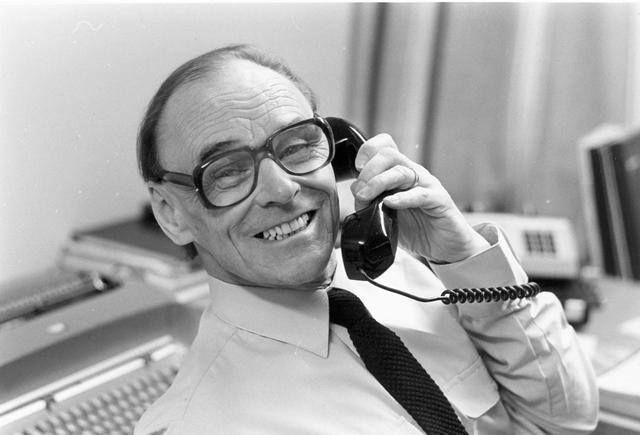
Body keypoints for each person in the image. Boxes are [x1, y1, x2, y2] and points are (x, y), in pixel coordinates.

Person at [133, 44, 598, 434]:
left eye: (296, 146)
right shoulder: (199, 424)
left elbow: (563, 422)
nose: (283, 189)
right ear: (171, 213)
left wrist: (465, 256)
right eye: (227, 172)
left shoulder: (405, 275)